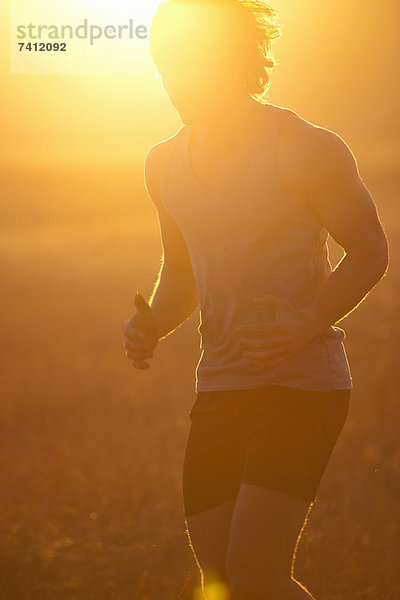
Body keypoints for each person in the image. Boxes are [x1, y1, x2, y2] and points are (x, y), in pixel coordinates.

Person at [122, 1, 389, 598]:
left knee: (254, 576)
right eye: (164, 65)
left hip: (302, 385)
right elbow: (185, 271)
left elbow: (371, 250)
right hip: (219, 386)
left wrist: (306, 323)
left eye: (191, 63)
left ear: (237, 61)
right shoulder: (163, 165)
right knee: (222, 579)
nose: (175, 81)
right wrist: (152, 326)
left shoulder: (305, 148)